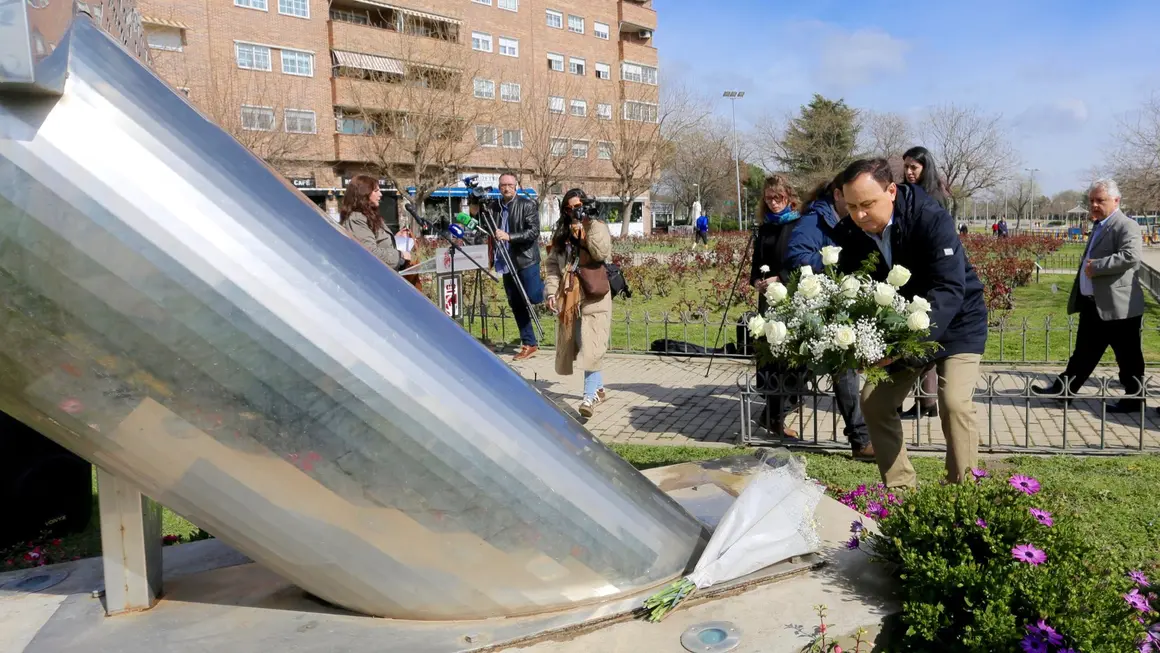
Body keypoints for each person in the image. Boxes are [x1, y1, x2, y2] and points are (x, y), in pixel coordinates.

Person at [832, 158, 988, 489]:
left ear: (891, 191)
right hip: (901, 326)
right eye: (852, 206)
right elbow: (854, 293)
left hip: (958, 321)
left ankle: (962, 493)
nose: (859, 215)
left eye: (867, 205)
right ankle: (901, 490)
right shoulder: (849, 233)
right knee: (874, 402)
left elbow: (949, 288)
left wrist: (906, 348)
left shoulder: (930, 217)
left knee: (954, 404)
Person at [1032, 178, 1145, 413]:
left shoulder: (1125, 225)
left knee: (1128, 357)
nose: (1094, 204)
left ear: (1116, 200)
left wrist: (1099, 266)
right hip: (1094, 304)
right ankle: (1064, 390)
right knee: (1084, 353)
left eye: (1100, 200)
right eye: (1091, 200)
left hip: (1119, 307)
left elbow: (1131, 255)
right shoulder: (1099, 224)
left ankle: (1134, 399)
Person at [786, 174, 874, 460]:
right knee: (843, 368)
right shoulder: (814, 220)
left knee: (804, 370)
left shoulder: (845, 220)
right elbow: (796, 255)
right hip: (820, 304)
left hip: (841, 301)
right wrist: (832, 261)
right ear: (837, 195)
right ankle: (860, 440)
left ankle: (772, 414)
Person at [544, 189, 612, 418]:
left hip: (595, 293)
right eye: (571, 208)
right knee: (583, 343)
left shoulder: (596, 226)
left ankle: (588, 398)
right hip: (570, 294)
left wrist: (587, 228)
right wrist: (551, 292)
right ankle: (599, 389)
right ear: (565, 210)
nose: (576, 211)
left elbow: (601, 252)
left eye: (579, 205)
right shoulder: (562, 234)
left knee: (592, 346)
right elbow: (552, 265)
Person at [897, 146, 952, 419]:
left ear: (925, 168)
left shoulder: (934, 199)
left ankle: (927, 401)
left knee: (923, 338)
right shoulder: (904, 193)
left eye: (914, 168)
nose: (908, 172)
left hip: (927, 273)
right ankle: (925, 401)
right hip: (910, 272)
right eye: (906, 166)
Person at [749, 173, 803, 440]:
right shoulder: (765, 227)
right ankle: (773, 417)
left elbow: (802, 262)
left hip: (791, 300)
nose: (773, 203)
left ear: (789, 197)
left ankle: (776, 413)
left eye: (778, 197)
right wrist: (758, 281)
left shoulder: (798, 225)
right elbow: (755, 264)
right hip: (768, 301)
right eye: (768, 198)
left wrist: (780, 276)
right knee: (770, 360)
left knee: (791, 362)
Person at [488, 172, 545, 361]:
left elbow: (533, 232)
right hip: (506, 261)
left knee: (534, 296)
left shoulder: (526, 205)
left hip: (526, 260)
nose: (506, 188)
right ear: (499, 187)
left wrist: (510, 236)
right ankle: (529, 343)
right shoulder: (494, 207)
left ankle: (553, 289)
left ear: (516, 186)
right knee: (516, 303)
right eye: (503, 185)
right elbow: (485, 226)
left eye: (510, 185)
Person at [340, 174, 412, 272]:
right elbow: (369, 252)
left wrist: (394, 239)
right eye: (376, 191)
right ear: (363, 194)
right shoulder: (356, 219)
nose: (380, 194)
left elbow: (377, 241)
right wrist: (401, 255)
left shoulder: (369, 215)